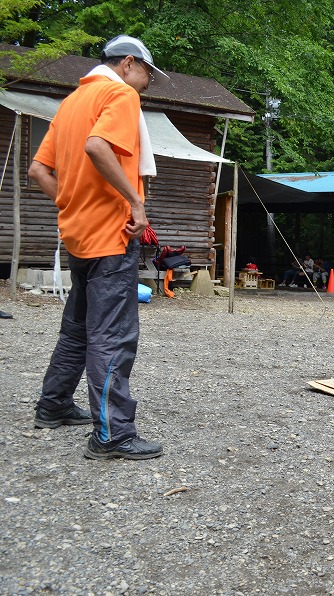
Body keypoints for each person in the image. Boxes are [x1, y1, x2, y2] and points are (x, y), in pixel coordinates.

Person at [27, 34, 168, 460]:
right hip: (110, 234)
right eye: (146, 73)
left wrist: (71, 202)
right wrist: (134, 201)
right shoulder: (119, 95)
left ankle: (52, 406)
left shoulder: (72, 102)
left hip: (77, 232)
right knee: (112, 335)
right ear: (128, 64)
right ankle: (113, 435)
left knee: (78, 326)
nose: (146, 83)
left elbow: (38, 169)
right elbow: (97, 146)